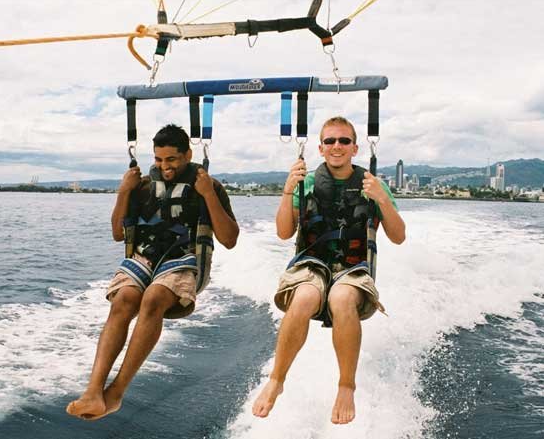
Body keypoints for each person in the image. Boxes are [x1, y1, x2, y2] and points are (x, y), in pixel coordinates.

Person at [67, 124, 239, 420]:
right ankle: (93, 392)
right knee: (124, 301)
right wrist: (123, 191)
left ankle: (116, 392)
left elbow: (229, 239)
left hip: (184, 258)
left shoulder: (208, 185)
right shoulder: (143, 185)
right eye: (159, 160)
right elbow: (117, 234)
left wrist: (208, 194)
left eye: (171, 159)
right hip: (144, 257)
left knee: (153, 298)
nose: (164, 166)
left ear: (188, 154)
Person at [252, 116, 405, 424]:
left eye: (344, 141)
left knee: (342, 299)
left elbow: (399, 236)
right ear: (320, 148)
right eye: (331, 141)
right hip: (312, 263)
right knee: (305, 298)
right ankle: (277, 380)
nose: (337, 146)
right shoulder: (306, 183)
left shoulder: (372, 185)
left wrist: (381, 201)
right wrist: (286, 192)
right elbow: (284, 233)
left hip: (353, 267)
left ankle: (346, 386)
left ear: (355, 148)